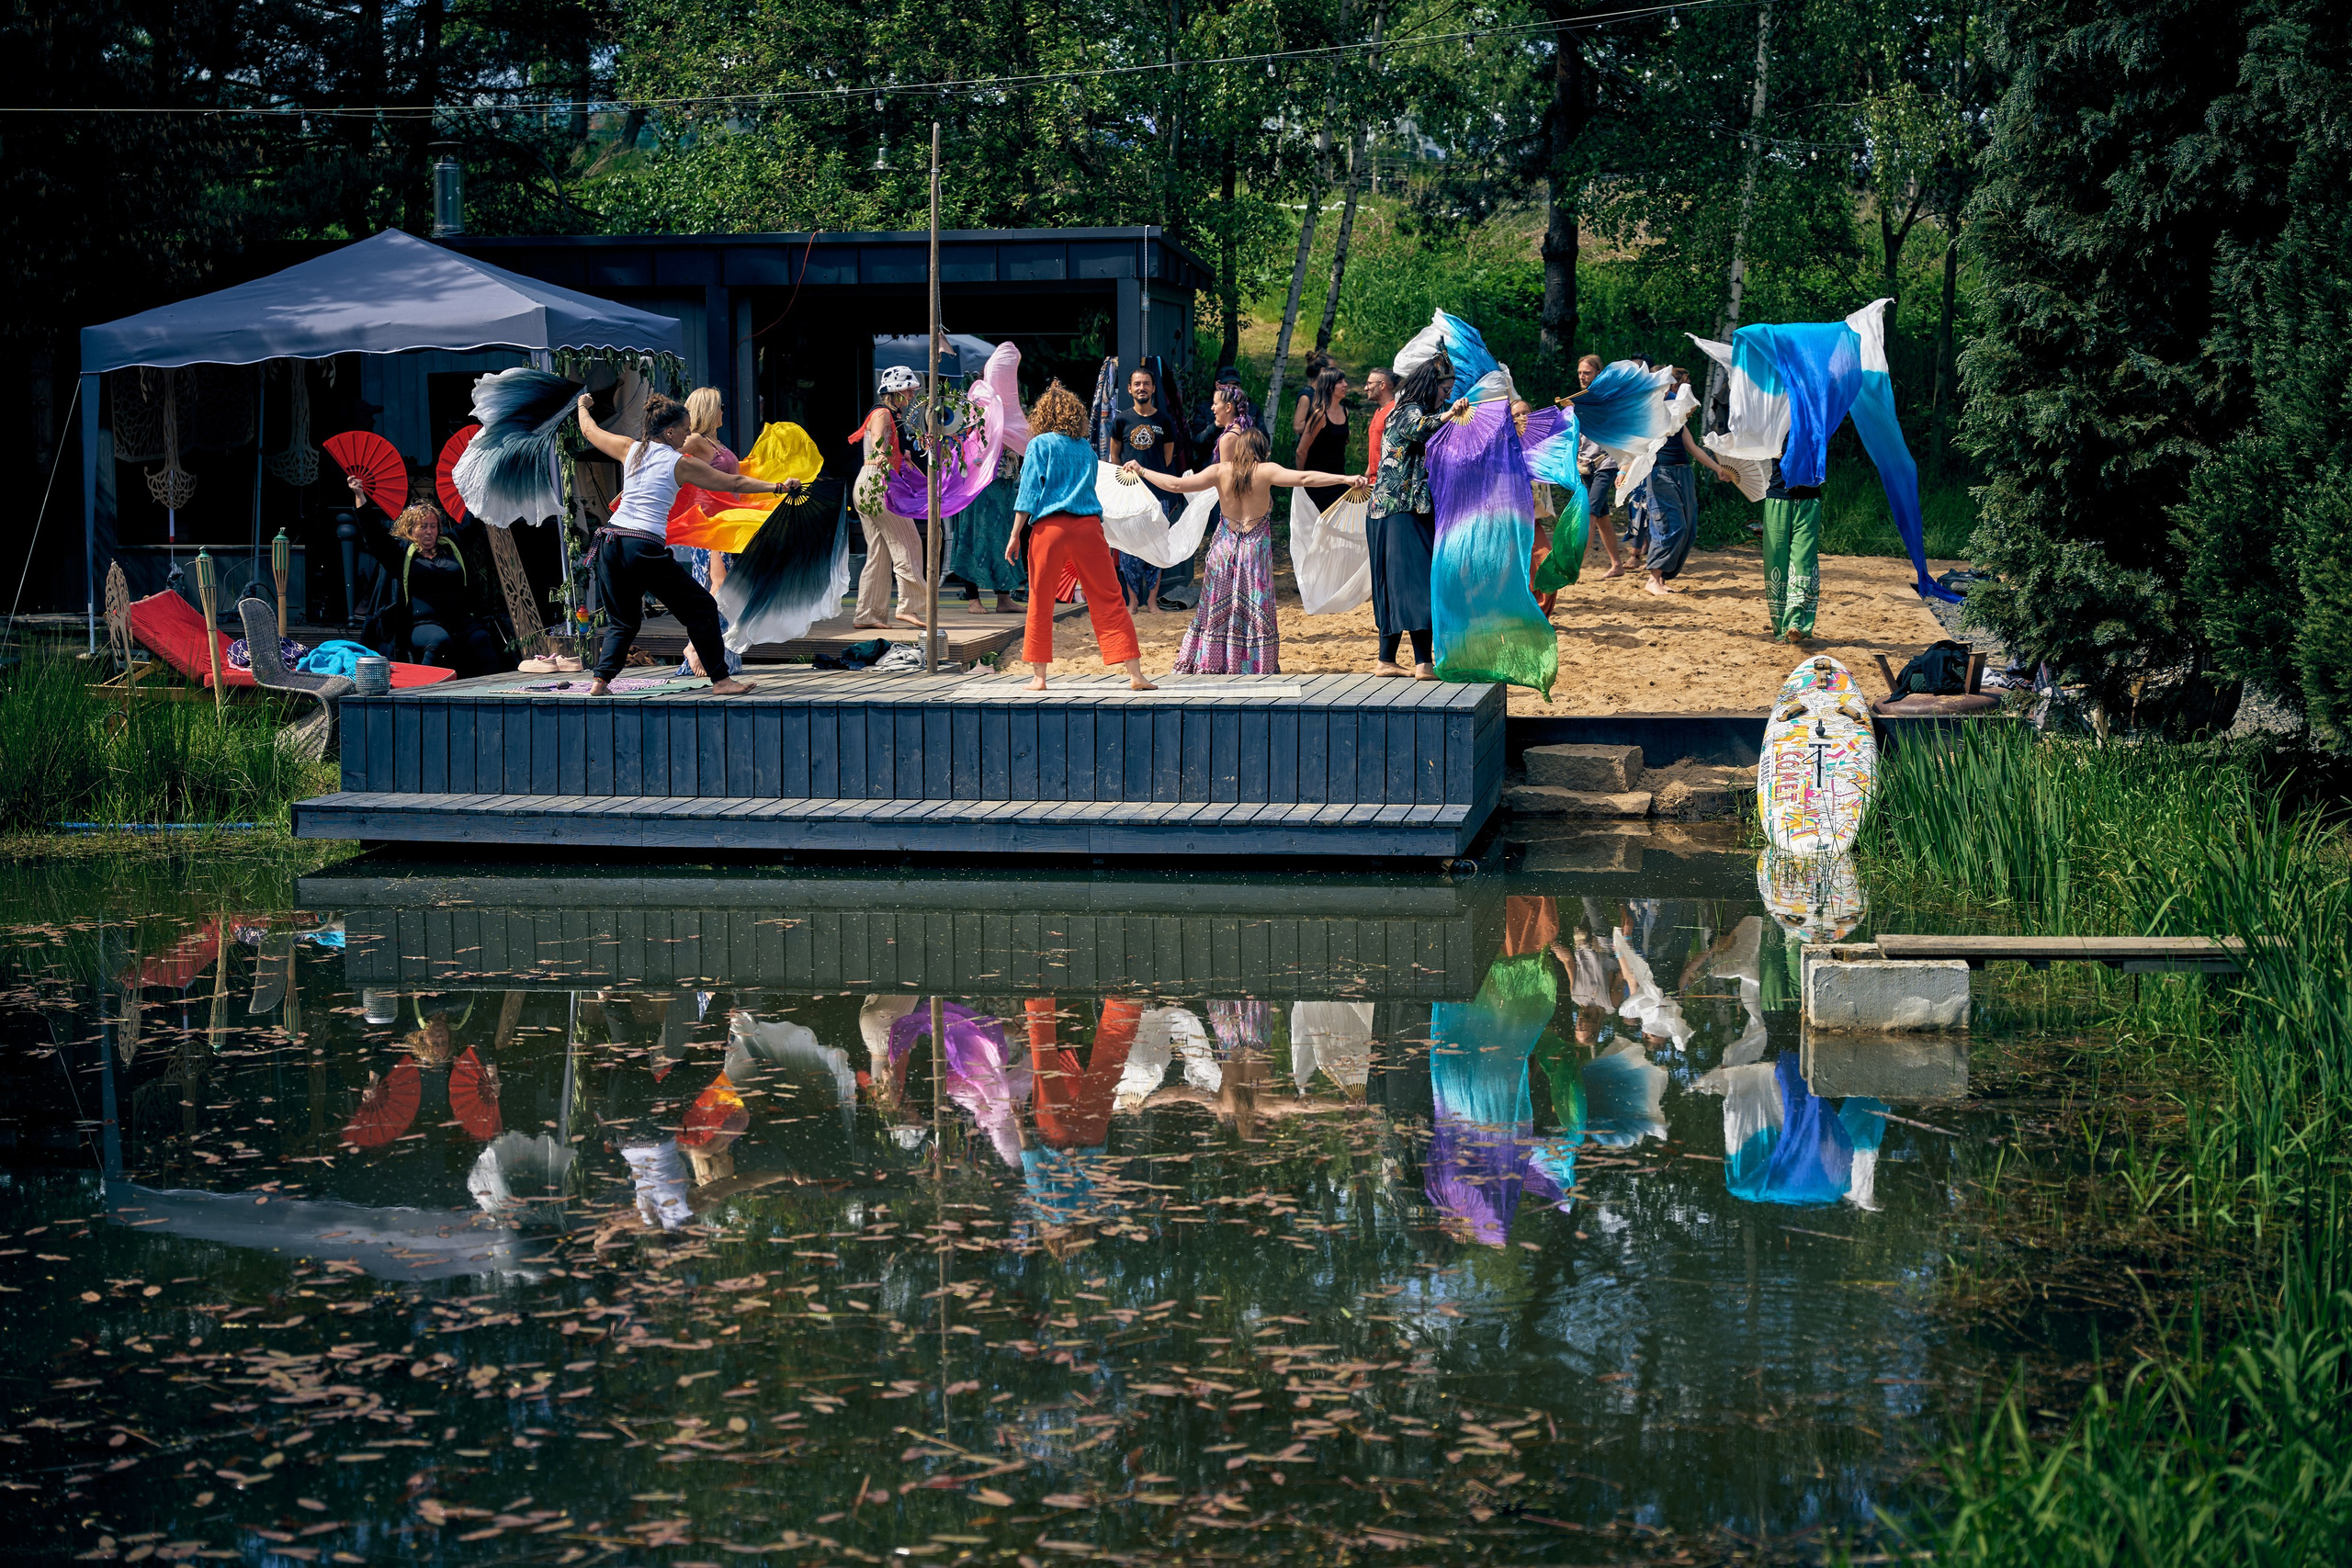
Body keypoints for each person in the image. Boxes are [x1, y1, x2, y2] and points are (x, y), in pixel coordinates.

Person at [573, 391, 799, 696]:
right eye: (685, 428)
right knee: (703, 609)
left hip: (611, 543)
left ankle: (600, 682)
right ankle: (721, 681)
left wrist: (581, 406)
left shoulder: (630, 448)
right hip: (641, 546)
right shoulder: (679, 462)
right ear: (669, 431)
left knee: (623, 621)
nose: (688, 434)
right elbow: (733, 483)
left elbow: (588, 430)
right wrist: (778, 487)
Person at [1124, 424, 1363, 674]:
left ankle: (1213, 663)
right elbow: (1304, 478)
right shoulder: (1266, 471)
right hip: (1255, 551)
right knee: (1255, 610)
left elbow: (1174, 485)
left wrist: (1142, 470)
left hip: (1223, 550)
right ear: (1264, 451)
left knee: (1216, 609)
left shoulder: (1220, 471)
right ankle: (1254, 664)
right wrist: (1344, 478)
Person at [1005, 380, 1154, 692]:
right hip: (1087, 527)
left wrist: (1016, 533)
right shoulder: (1084, 448)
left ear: (1042, 416)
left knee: (1041, 600)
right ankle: (1135, 674)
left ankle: (1039, 678)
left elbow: (1030, 491)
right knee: (1110, 597)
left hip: (1050, 528)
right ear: (1076, 416)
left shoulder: (1040, 445)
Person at [1365, 353, 1470, 679]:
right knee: (1409, 582)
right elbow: (1418, 428)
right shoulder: (1407, 411)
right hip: (1399, 509)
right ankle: (1421, 662)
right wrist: (1450, 414)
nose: (1447, 396)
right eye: (1444, 389)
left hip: (1404, 509)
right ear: (1430, 385)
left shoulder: (1431, 411)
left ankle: (1391, 660)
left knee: (1401, 583)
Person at [345, 479, 508, 675]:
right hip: (420, 623)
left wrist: (486, 488)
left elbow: (470, 522)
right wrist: (360, 496)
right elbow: (373, 535)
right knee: (439, 641)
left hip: (459, 621)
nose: (429, 531)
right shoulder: (401, 552)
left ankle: (496, 695)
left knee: (481, 638)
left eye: (433, 526)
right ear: (411, 529)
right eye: (423, 527)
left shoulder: (451, 544)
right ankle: (420, 692)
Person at [1641, 366, 1736, 598]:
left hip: (1683, 473)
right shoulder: (1648, 409)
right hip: (1660, 473)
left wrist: (1718, 469)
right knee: (1671, 525)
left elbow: (1693, 448)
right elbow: (1633, 444)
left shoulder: (1675, 413)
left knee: (1689, 528)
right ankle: (1652, 579)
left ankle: (1661, 578)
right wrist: (1624, 472)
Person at [673, 387, 744, 677]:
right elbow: (663, 458)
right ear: (707, 410)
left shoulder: (715, 443)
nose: (723, 410)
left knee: (718, 587)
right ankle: (695, 648)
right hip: (710, 523)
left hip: (725, 524)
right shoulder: (696, 441)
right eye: (720, 405)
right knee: (719, 585)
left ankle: (717, 655)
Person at [850, 366, 927, 629]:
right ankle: (909, 606)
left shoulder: (893, 416)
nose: (913, 393)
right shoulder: (883, 413)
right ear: (895, 392)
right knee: (909, 542)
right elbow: (876, 438)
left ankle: (868, 614)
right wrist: (883, 454)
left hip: (867, 484)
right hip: (876, 483)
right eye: (909, 389)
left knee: (880, 552)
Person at [1107, 365, 1182, 616]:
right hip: (1129, 495)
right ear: (1129, 389)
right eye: (1137, 384)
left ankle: (1151, 602)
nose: (1142, 388)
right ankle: (1132, 602)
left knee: (1156, 545)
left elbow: (1167, 458)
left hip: (1157, 494)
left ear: (1152, 388)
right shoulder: (1121, 420)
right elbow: (1114, 456)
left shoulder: (1164, 420)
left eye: (1146, 383)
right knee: (1129, 549)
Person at [1573, 355, 1628, 581]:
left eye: (1587, 372)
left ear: (1598, 373)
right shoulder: (1578, 399)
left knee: (1590, 514)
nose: (1582, 377)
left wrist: (1624, 466)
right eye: (1579, 373)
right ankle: (1617, 564)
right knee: (1603, 516)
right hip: (1585, 463)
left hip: (1607, 462)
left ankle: (1574, 567)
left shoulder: (1609, 398)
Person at [1760, 455, 1823, 644]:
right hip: (1777, 498)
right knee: (1775, 563)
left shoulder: (1815, 425)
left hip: (1809, 500)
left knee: (1803, 560)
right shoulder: (1773, 426)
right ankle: (1782, 631)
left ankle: (1796, 622)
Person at [1294, 367, 1353, 512]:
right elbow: (1301, 451)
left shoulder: (1345, 411)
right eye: (1340, 382)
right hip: (1317, 480)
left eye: (1344, 381)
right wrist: (1300, 483)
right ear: (1328, 386)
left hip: (1339, 477)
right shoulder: (1319, 415)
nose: (1345, 385)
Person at [1362, 367, 1397, 477]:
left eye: (1369, 384)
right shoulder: (1379, 410)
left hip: (1385, 481)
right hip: (1373, 481)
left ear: (1382, 385)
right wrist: (1367, 476)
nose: (1365, 388)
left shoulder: (1393, 411)